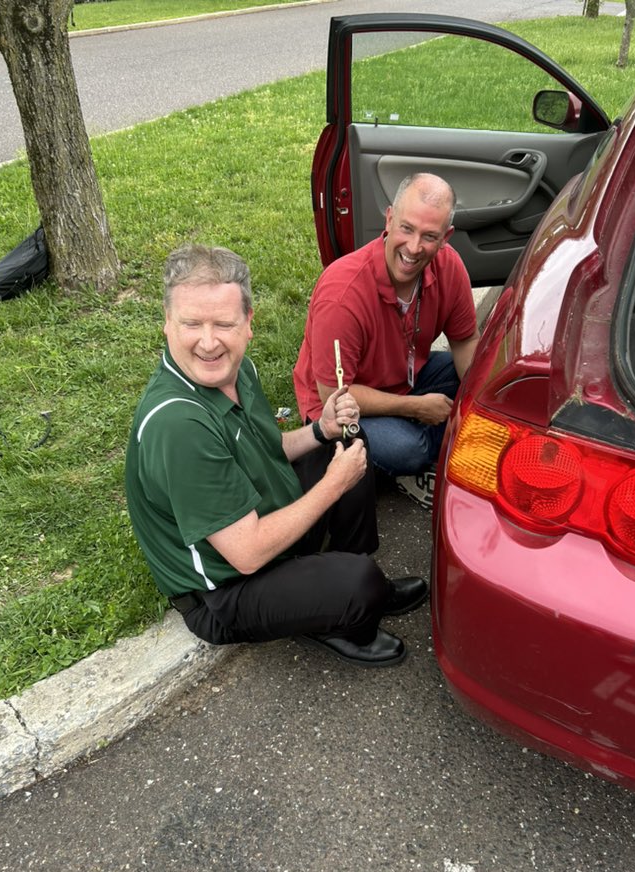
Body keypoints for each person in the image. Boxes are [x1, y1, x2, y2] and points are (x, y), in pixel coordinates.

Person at [125, 245, 428, 668]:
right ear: (167, 324)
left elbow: (270, 449)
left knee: (348, 445)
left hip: (254, 519)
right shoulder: (179, 425)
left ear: (249, 324)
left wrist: (322, 430)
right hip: (222, 591)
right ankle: (338, 612)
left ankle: (344, 572)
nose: (208, 342)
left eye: (224, 323)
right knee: (357, 581)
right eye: (191, 323)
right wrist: (332, 485)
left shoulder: (238, 371)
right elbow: (246, 554)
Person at [293, 172, 480, 508]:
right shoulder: (343, 294)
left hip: (403, 379)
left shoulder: (449, 266)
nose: (413, 247)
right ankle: (419, 460)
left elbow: (466, 343)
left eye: (429, 236)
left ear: (446, 237)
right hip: (340, 408)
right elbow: (334, 396)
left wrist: (481, 403)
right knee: (410, 449)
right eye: (406, 228)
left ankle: (441, 438)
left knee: (476, 378)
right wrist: (417, 408)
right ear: (390, 217)